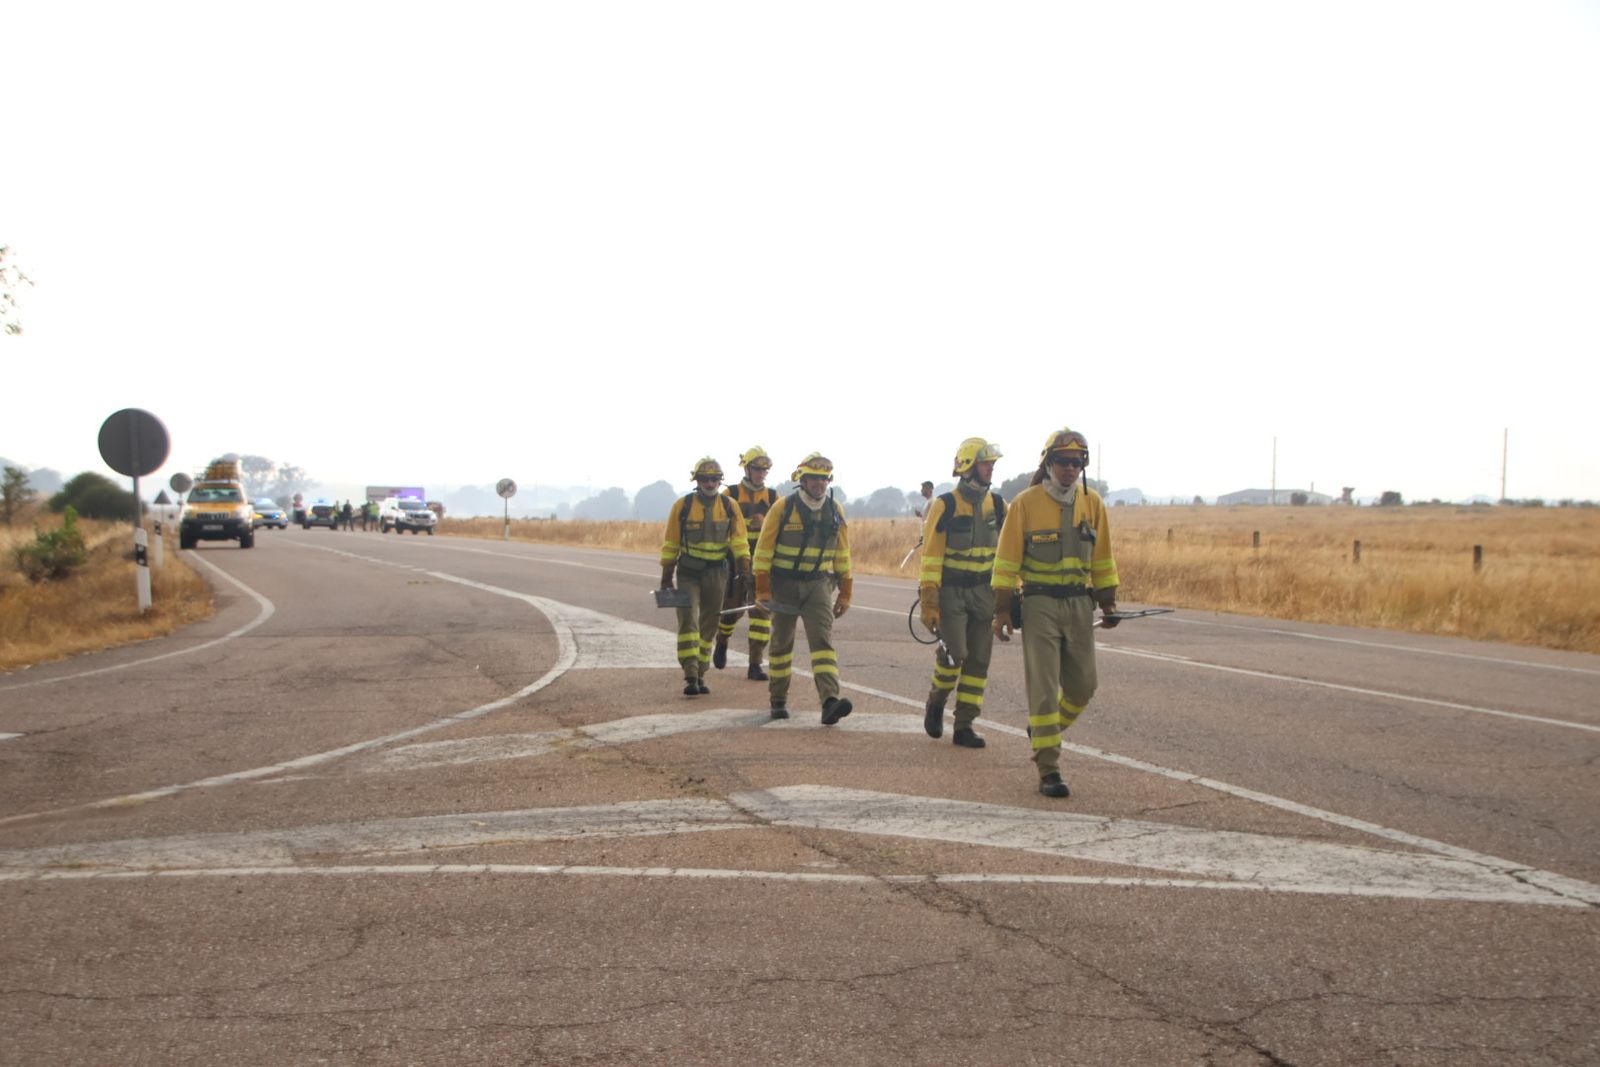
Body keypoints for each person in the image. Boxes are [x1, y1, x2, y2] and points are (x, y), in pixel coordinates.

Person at [991, 428, 1120, 798]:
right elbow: (1006, 562)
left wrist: (1108, 602)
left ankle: (1043, 730)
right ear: (1048, 463)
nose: (1070, 469)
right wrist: (1002, 611)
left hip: (1080, 604)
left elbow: (1103, 558)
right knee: (1044, 689)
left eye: (1077, 463)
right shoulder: (1025, 504)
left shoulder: (1092, 502)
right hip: (1039, 605)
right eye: (1063, 462)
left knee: (1083, 687)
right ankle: (1049, 767)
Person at [752, 452, 854, 724]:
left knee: (822, 643)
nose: (819, 484)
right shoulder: (783, 508)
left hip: (819, 585)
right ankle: (778, 701)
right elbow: (763, 552)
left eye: (824, 479)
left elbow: (842, 555)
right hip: (783, 585)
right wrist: (762, 590)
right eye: (814, 479)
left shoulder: (836, 510)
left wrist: (845, 591)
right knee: (781, 644)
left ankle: (830, 701)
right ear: (802, 479)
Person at [918, 438, 1005, 749]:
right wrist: (929, 601)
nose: (991, 468)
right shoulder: (945, 505)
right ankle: (936, 701)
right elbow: (930, 557)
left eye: (992, 464)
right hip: (951, 594)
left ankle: (965, 725)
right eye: (986, 464)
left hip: (984, 593)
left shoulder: (997, 504)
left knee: (979, 662)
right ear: (968, 467)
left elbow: (1008, 553)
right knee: (955, 656)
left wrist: (1010, 596)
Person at [660, 458, 750, 697]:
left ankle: (700, 673)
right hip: (688, 573)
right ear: (696, 481)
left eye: (714, 479)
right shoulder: (683, 506)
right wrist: (666, 577)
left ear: (720, 481)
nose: (709, 483)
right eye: (704, 479)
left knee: (709, 624)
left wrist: (744, 569)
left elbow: (740, 542)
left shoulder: (730, 506)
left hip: (718, 574)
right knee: (688, 620)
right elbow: (671, 543)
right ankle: (689, 673)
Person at [714, 446, 780, 680]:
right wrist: (746, 521)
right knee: (732, 611)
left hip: (763, 564)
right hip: (736, 562)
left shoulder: (773, 498)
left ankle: (755, 664)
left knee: (762, 613)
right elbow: (719, 525)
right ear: (747, 469)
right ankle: (722, 641)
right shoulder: (730, 494)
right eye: (757, 469)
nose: (761, 474)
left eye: (765, 470)